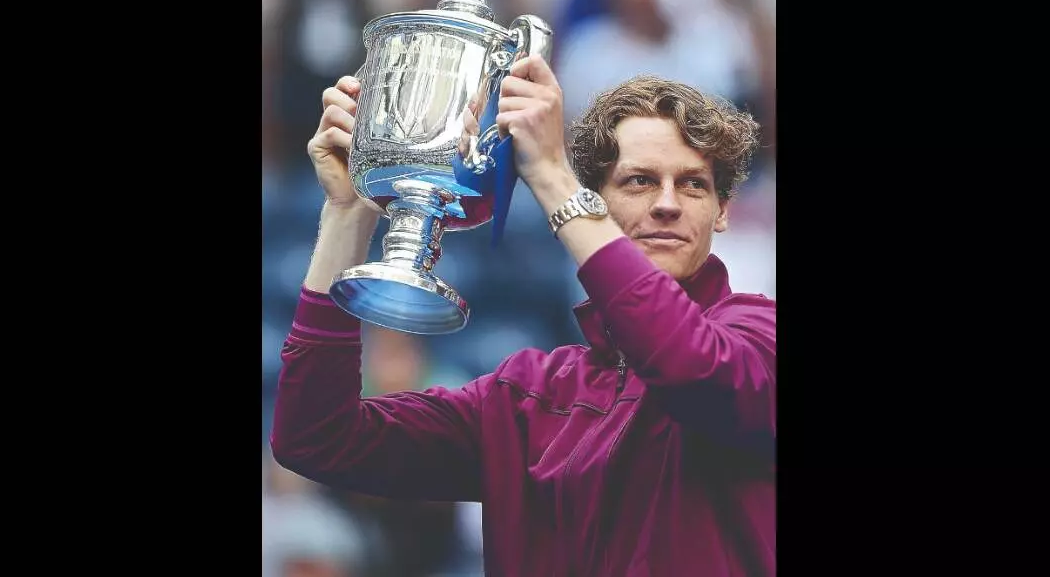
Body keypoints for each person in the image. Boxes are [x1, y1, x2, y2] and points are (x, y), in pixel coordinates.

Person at [271, 54, 776, 576]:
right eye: (639, 181)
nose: (668, 203)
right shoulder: (527, 395)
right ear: (596, 202)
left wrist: (552, 176)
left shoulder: (761, 339)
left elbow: (686, 363)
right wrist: (348, 213)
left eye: (694, 184)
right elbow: (317, 438)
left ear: (721, 211)